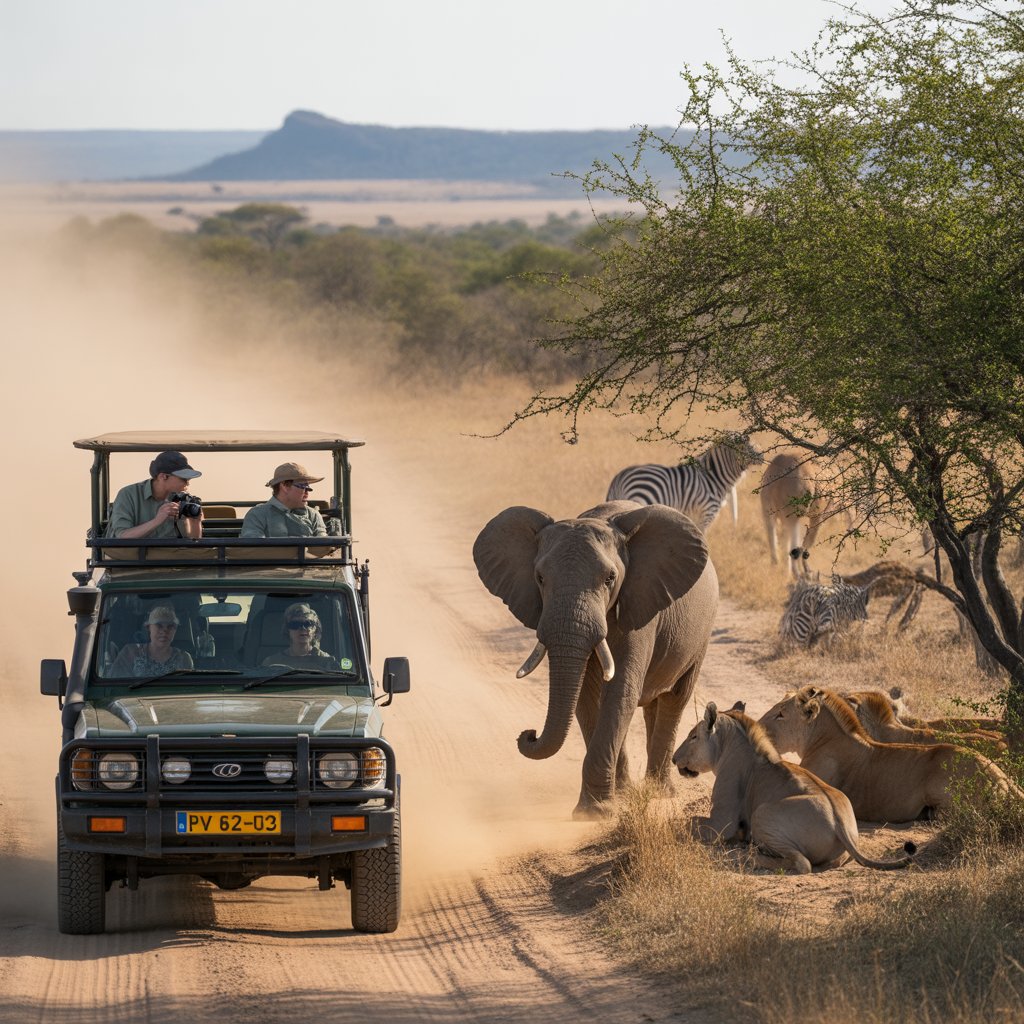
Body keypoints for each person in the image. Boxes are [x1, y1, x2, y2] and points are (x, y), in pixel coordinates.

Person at [108, 451, 204, 540]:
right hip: (134, 555)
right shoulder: (128, 494)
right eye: (183, 478)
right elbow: (123, 536)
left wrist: (195, 522)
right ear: (163, 476)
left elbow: (194, 541)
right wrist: (157, 520)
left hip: (171, 554)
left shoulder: (183, 498)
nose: (187, 482)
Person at [240, 462, 328, 538]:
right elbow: (253, 550)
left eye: (308, 488)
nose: (307, 493)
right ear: (284, 486)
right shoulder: (257, 515)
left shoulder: (313, 515)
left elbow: (323, 548)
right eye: (303, 487)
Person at [109, 605, 194, 677]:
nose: (164, 631)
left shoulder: (184, 659)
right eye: (159, 625)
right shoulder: (130, 653)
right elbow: (115, 688)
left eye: (170, 626)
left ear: (175, 629)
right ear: (148, 627)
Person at [261, 603, 339, 670]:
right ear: (287, 630)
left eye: (308, 624)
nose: (302, 628)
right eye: (295, 624)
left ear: (315, 629)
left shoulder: (328, 662)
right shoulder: (271, 663)